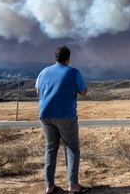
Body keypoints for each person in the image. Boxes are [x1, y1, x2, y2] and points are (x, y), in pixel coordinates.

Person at [36, 46, 90, 194]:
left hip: (45, 115)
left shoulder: (43, 72)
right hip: (66, 116)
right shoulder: (73, 72)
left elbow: (38, 90)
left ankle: (49, 187)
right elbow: (84, 92)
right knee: (72, 147)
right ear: (68, 58)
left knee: (50, 149)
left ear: (55, 57)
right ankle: (73, 185)